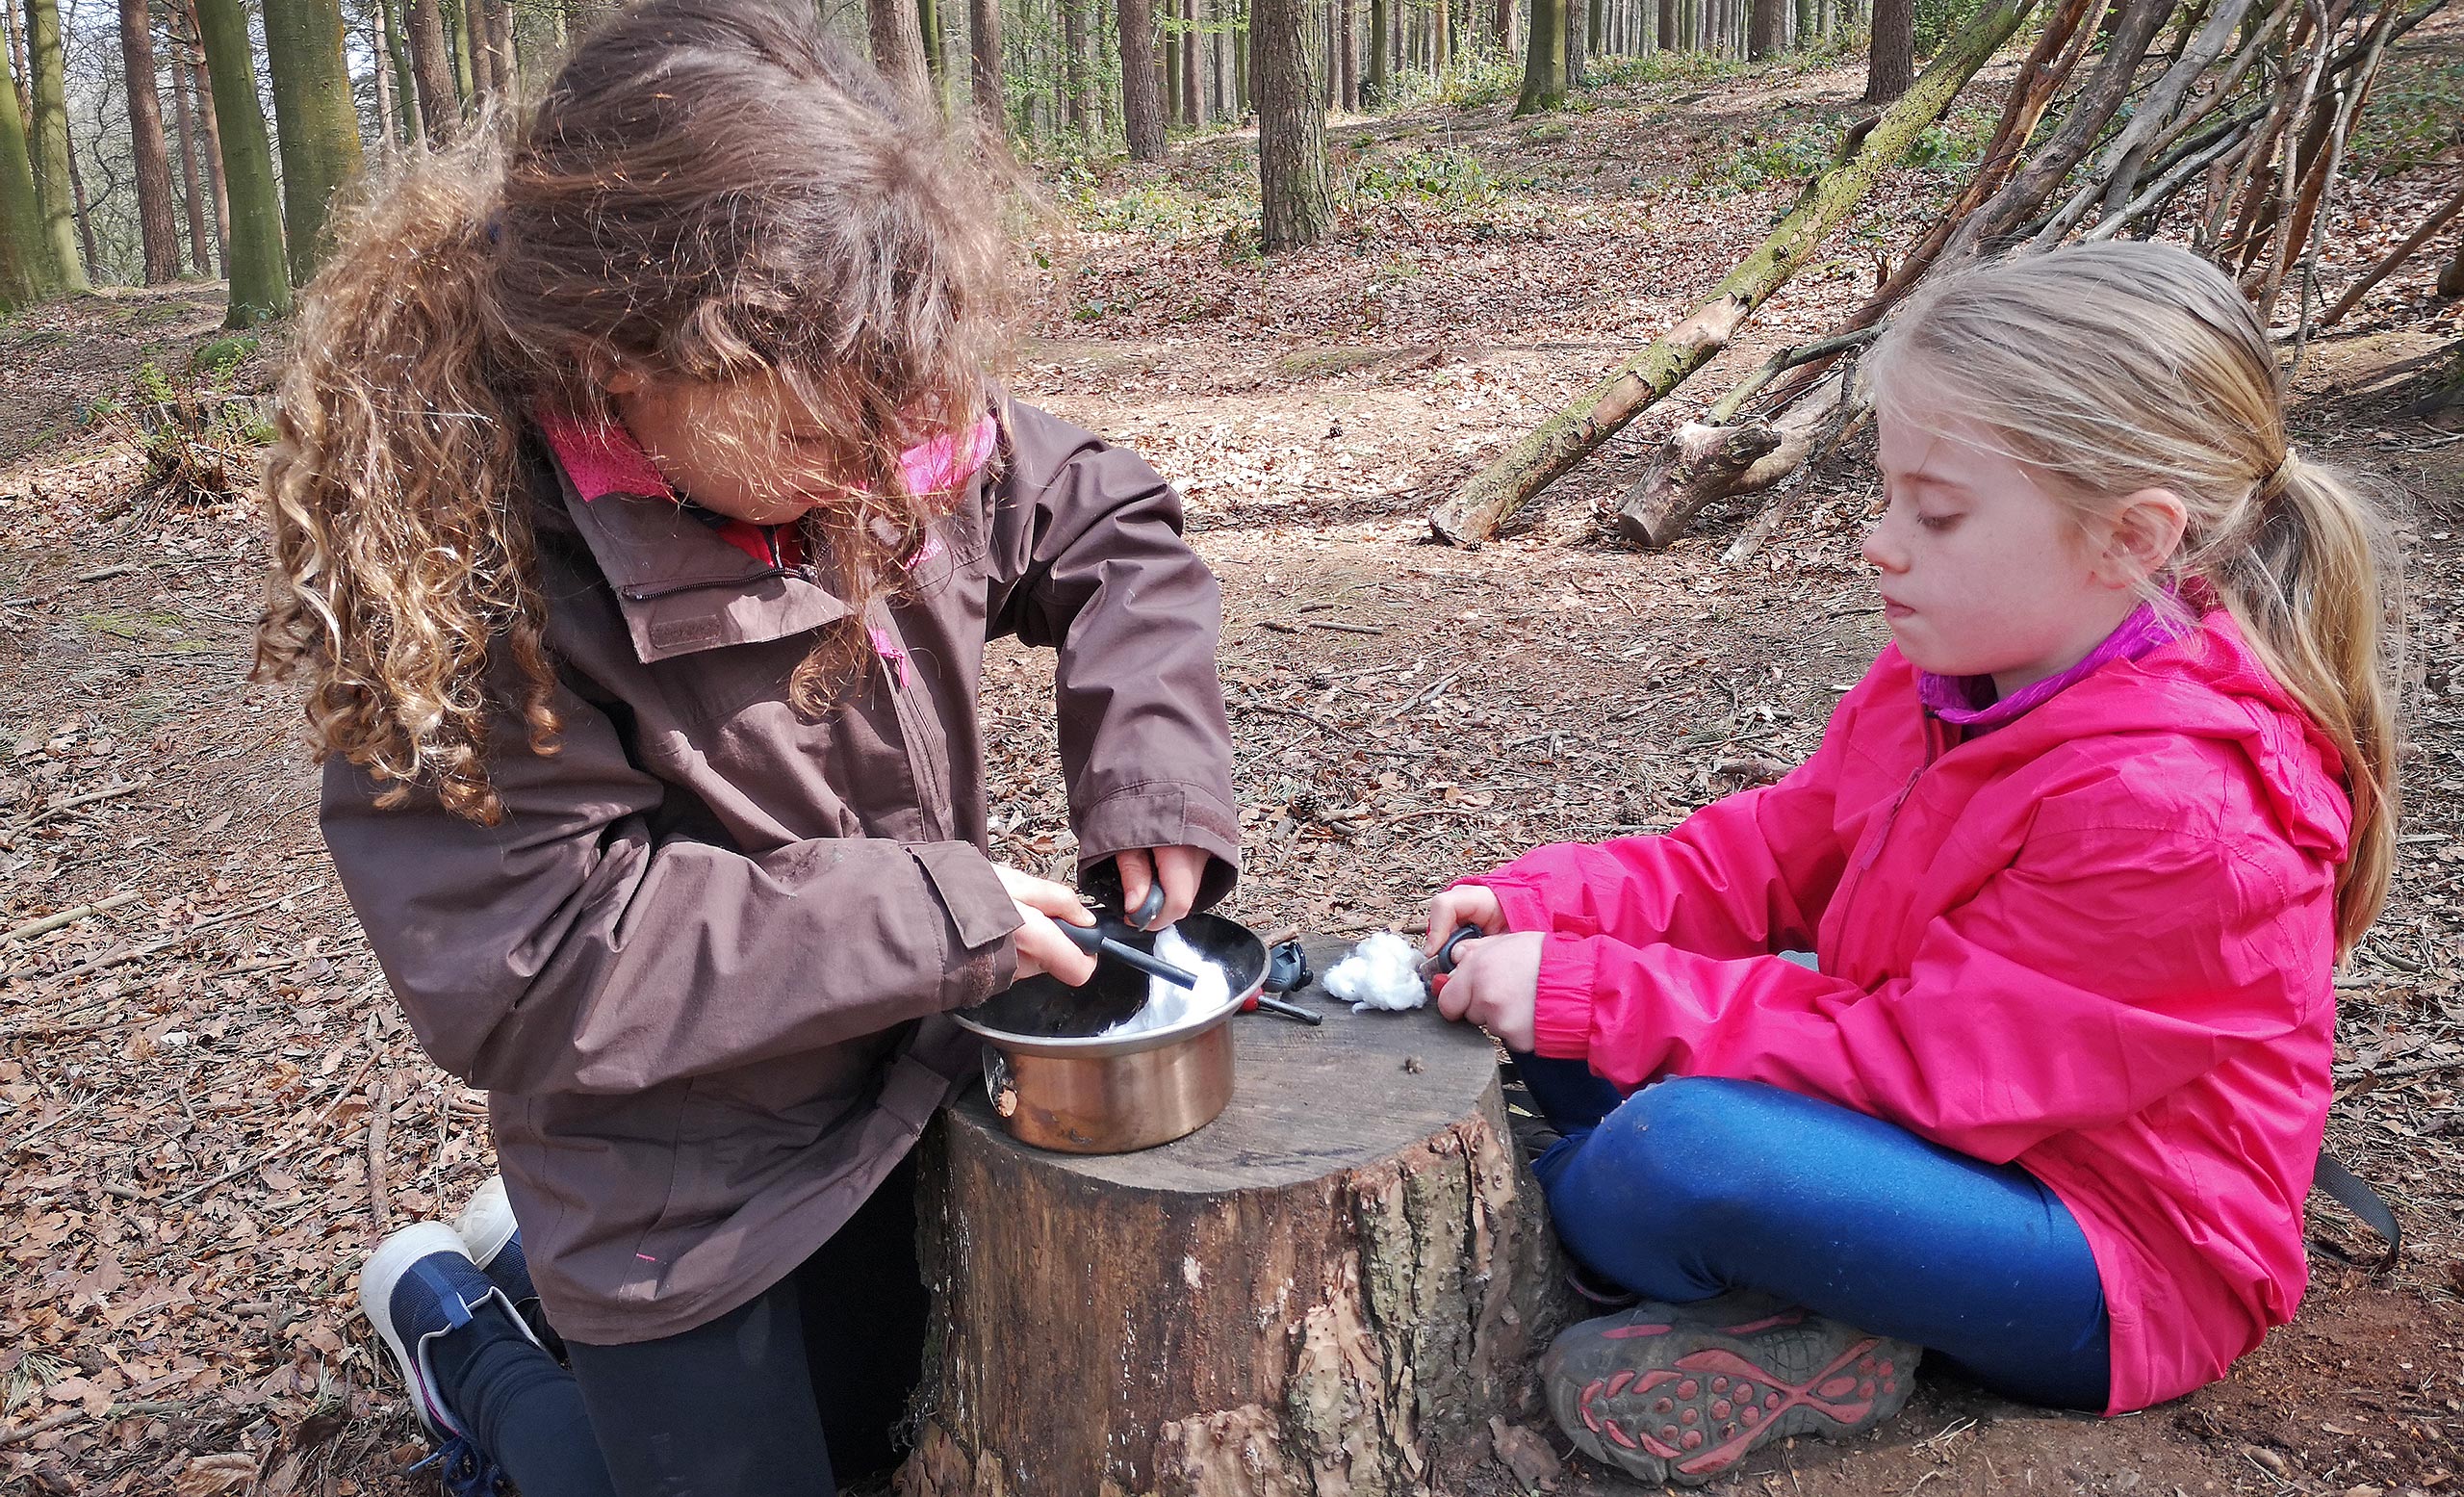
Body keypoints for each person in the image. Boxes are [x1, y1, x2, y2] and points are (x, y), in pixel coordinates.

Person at [251, 2, 1240, 1491]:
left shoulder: (865, 405)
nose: (875, 463)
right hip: (670, 1207)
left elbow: (1104, 519)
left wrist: (1149, 769)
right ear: (619, 368)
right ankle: (464, 1337)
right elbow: (531, 962)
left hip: (895, 1101)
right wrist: (926, 912)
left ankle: (518, 1279)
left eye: (893, 403)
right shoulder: (474, 572)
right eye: (813, 423)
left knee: (884, 1433)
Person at [1422, 242, 2398, 1487]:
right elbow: (1779, 849)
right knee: (1582, 1013)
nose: (1884, 543)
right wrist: (1545, 908)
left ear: (2134, 539)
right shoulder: (1965, 667)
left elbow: (1925, 1066)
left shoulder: (2183, 813)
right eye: (1888, 498)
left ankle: (1709, 1266)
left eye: (1933, 515)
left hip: (2110, 1255)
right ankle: (1791, 1294)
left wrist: (1588, 996)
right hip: (1953, 1132)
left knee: (1673, 1155)